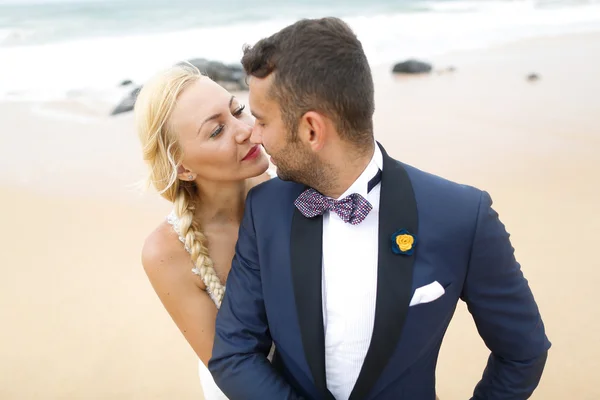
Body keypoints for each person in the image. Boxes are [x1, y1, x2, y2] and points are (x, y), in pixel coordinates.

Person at [208, 17, 551, 400]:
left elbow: (523, 351)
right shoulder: (264, 211)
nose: (253, 134)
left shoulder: (462, 216)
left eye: (262, 120)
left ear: (311, 130)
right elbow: (233, 354)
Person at [134, 63, 274, 400]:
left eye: (238, 110)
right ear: (182, 168)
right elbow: (234, 369)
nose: (244, 131)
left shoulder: (286, 190)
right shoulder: (167, 253)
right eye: (216, 131)